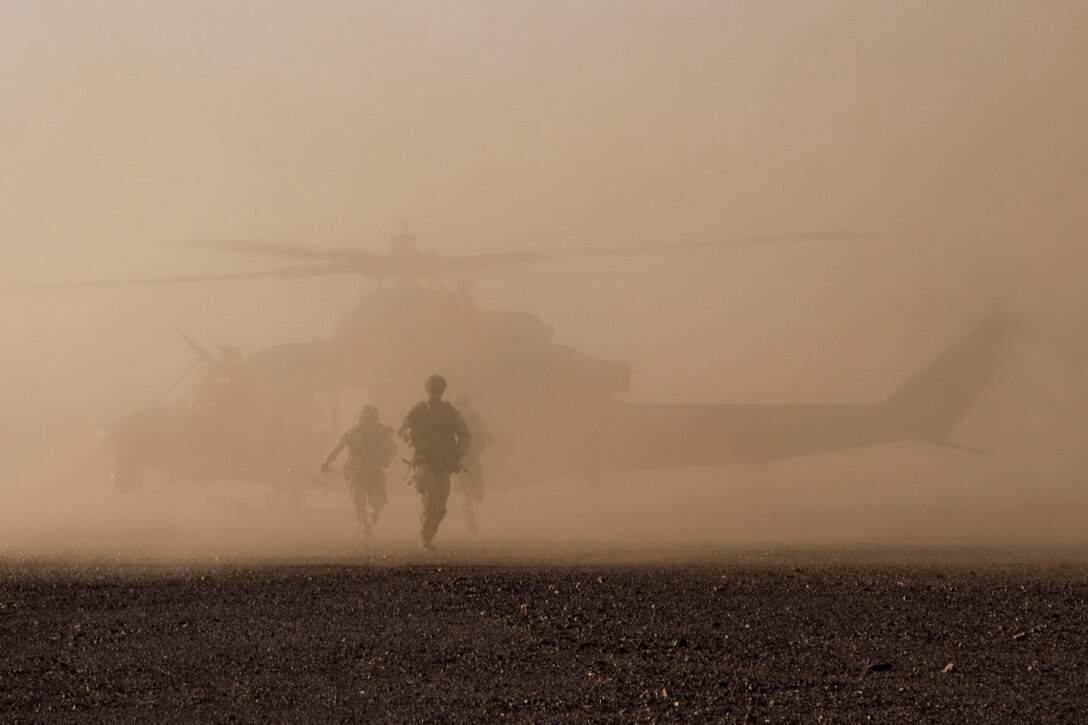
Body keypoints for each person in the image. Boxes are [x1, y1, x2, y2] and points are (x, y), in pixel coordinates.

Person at [399, 375, 471, 550]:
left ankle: (427, 536)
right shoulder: (420, 409)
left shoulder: (451, 412)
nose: (435, 396)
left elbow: (464, 434)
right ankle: (424, 537)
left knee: (440, 505)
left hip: (444, 462)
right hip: (423, 459)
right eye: (433, 392)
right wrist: (414, 433)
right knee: (432, 495)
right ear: (428, 392)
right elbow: (402, 431)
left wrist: (458, 452)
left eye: (438, 392)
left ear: (443, 392)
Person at [322, 406, 397, 538]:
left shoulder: (382, 433)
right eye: (366, 421)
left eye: (371, 421)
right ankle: (365, 527)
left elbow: (393, 450)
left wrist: (379, 460)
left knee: (377, 503)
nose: (368, 424)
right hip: (355, 472)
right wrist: (327, 461)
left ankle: (375, 511)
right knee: (358, 499)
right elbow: (338, 447)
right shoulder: (352, 434)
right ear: (361, 419)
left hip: (374, 472)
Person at [453, 395, 491, 535]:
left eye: (463, 405)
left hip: (473, 462)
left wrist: (485, 437)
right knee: (465, 495)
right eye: (459, 406)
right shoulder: (451, 422)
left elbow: (487, 437)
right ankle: (471, 524)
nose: (462, 408)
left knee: (478, 495)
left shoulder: (476, 422)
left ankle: (471, 522)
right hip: (458, 463)